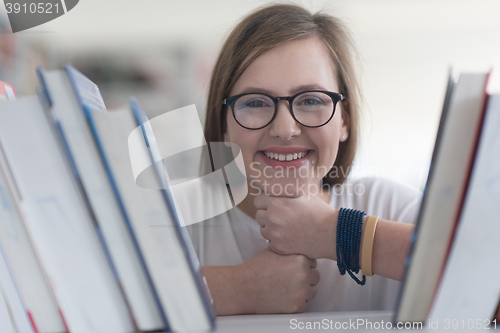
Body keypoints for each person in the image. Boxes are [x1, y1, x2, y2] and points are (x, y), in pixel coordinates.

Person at [187, 3, 421, 315]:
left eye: (311, 100)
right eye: (255, 102)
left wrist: (339, 233)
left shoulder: (391, 206)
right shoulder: (181, 224)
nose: (284, 129)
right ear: (224, 127)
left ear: (344, 121)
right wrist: (237, 288)